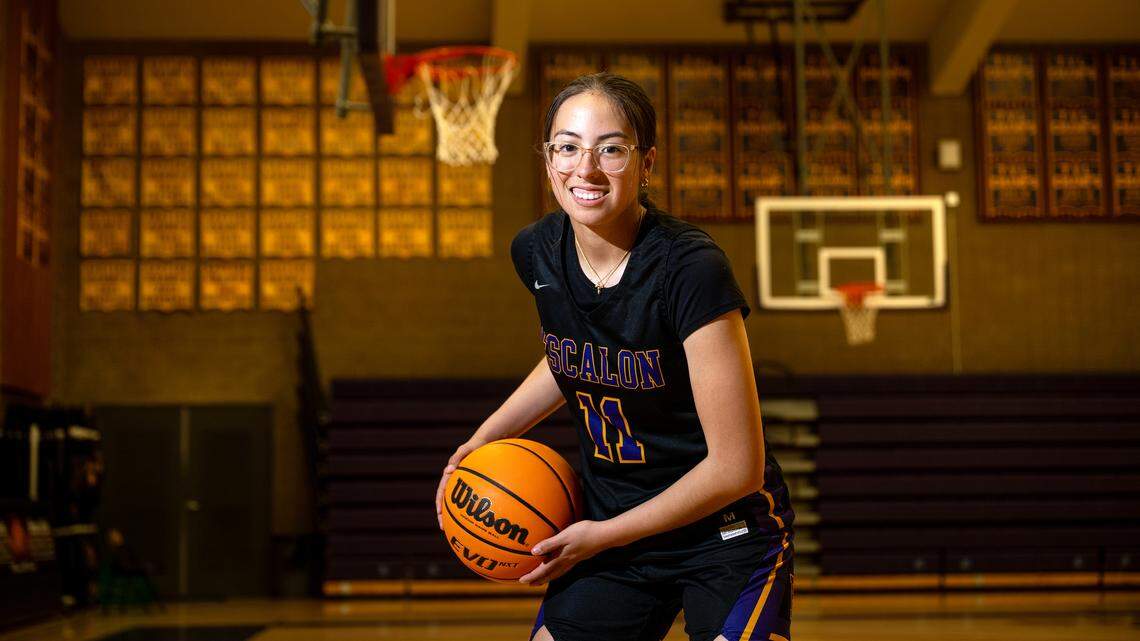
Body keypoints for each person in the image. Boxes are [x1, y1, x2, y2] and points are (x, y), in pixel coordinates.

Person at [435, 72, 795, 641]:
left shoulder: (690, 269)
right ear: (549, 160)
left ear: (646, 162)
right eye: (568, 147)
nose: (587, 168)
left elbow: (737, 468)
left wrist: (599, 537)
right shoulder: (535, 252)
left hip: (723, 535)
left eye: (611, 148)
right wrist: (482, 441)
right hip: (615, 529)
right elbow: (571, 359)